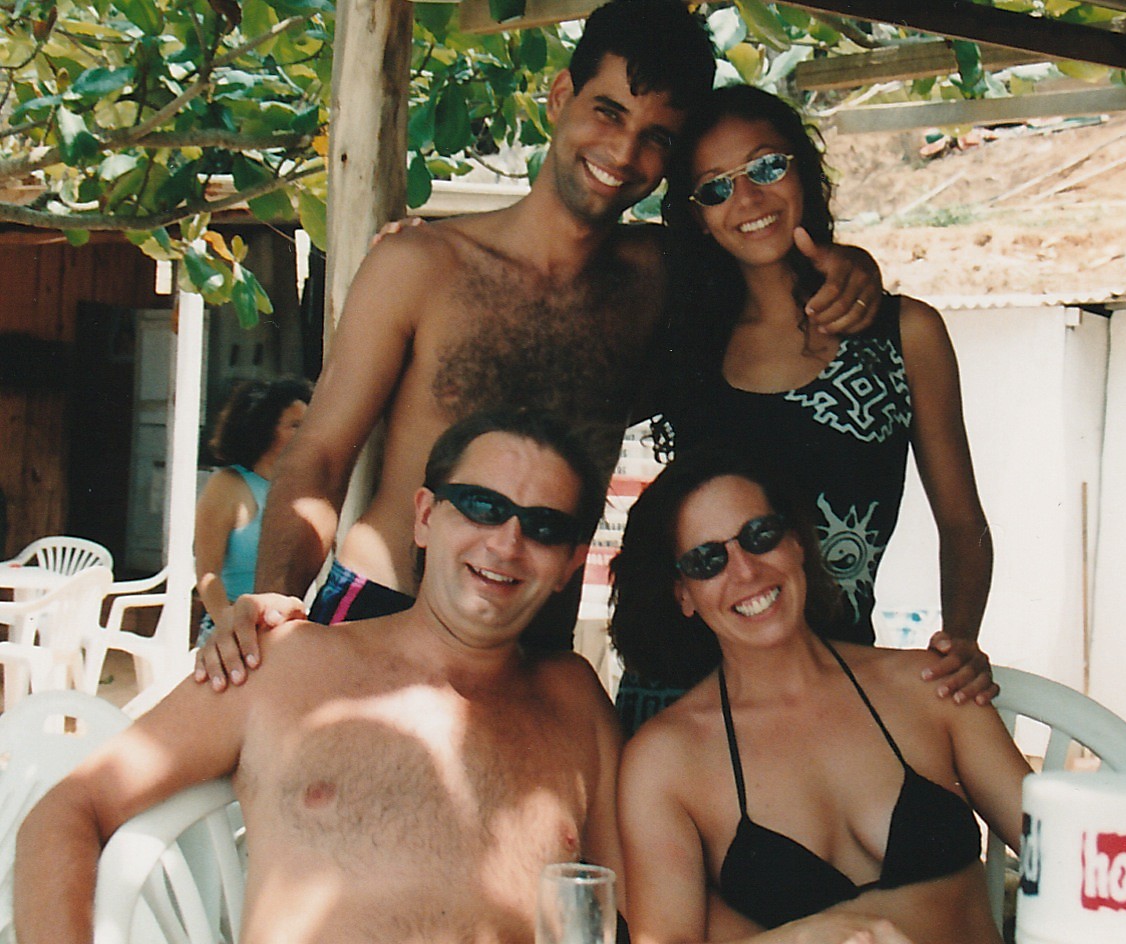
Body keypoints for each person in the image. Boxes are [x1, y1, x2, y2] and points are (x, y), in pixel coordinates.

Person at [195, 0, 883, 690]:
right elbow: (320, 453)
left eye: (656, 137)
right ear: (559, 97)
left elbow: (764, 257)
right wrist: (273, 599)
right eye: (608, 112)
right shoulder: (421, 266)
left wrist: (855, 267)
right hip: (386, 611)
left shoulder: (661, 277)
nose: (623, 153)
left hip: (534, 646)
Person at [15, 408, 623, 944]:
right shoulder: (283, 662)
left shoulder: (574, 703)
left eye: (545, 527)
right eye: (481, 507)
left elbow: (640, 912)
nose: (507, 543)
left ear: (571, 563)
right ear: (424, 517)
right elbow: (68, 809)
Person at [615, 85, 995, 733]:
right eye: (715, 187)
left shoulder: (904, 334)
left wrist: (960, 638)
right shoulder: (683, 339)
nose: (747, 199)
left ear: (805, 172)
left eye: (766, 166)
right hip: (680, 697)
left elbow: (963, 525)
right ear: (696, 216)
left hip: (834, 691)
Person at [610, 448, 1030, 944]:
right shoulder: (666, 760)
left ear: (796, 542)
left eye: (760, 536)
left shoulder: (930, 683)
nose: (745, 572)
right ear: (683, 593)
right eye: (707, 561)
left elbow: (1065, 850)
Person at [193, 377, 313, 645]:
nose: (305, 434)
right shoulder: (228, 485)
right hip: (236, 629)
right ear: (264, 430)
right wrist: (230, 627)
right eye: (295, 425)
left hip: (287, 632)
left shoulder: (301, 487)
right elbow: (207, 572)